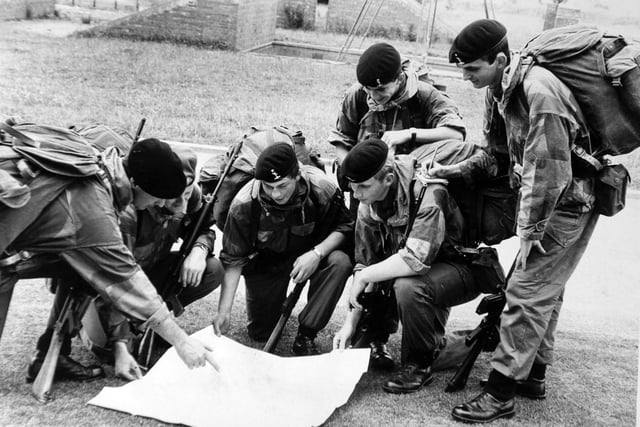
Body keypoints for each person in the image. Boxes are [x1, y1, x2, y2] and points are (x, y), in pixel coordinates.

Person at [447, 19, 600, 423]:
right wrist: (453, 171)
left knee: (527, 289)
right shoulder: (499, 89)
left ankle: (500, 392)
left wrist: (528, 231)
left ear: (499, 59)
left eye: (472, 69)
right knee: (546, 288)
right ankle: (533, 373)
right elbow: (494, 154)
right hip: (545, 202)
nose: (466, 77)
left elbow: (549, 172)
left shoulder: (541, 91)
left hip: (567, 203)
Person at [0, 133, 219, 383]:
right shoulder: (96, 208)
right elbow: (123, 277)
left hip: (10, 247)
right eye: (157, 197)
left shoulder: (103, 167)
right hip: (11, 250)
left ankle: (50, 353)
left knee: (75, 269)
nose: (161, 204)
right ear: (136, 184)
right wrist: (181, 341)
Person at [332, 138, 498, 394]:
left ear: (387, 179)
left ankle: (419, 364)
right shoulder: (367, 204)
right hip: (415, 270)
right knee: (371, 300)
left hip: (456, 269)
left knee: (408, 286)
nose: (356, 195)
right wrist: (350, 323)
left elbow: (415, 259)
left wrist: (366, 275)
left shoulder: (429, 192)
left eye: (363, 186)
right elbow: (366, 261)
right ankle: (378, 338)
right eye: (353, 187)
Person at [82, 146, 225, 381]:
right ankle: (100, 327)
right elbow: (117, 277)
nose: (182, 205)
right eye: (174, 197)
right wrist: (119, 343)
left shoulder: (190, 195)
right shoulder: (129, 211)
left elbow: (204, 227)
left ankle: (154, 323)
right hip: (106, 286)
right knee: (107, 348)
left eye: (188, 194)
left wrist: (199, 249)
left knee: (212, 270)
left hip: (148, 273)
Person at [212, 142, 353, 355]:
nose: (275, 194)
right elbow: (233, 258)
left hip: (312, 254)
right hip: (267, 263)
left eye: (282, 186)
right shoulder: (243, 203)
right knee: (261, 331)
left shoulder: (322, 188)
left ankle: (307, 332)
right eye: (268, 187)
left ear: (297, 175)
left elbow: (345, 227)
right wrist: (224, 311)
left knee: (340, 261)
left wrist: (317, 253)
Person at [328, 42, 466, 164]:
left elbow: (456, 134)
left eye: (381, 89)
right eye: (368, 89)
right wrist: (353, 172)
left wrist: (408, 134)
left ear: (399, 79)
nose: (374, 96)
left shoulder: (424, 94)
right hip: (369, 178)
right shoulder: (356, 95)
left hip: (411, 175)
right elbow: (342, 141)